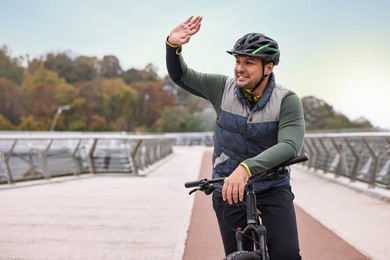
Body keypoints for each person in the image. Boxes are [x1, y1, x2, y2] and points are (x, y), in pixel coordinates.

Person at [166, 16, 305, 260]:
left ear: (268, 68)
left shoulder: (287, 100)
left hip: (272, 185)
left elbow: (290, 145)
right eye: (238, 60)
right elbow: (182, 76)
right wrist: (172, 46)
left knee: (286, 254)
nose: (239, 68)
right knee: (238, 255)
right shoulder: (222, 88)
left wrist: (247, 168)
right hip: (228, 186)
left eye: (249, 62)